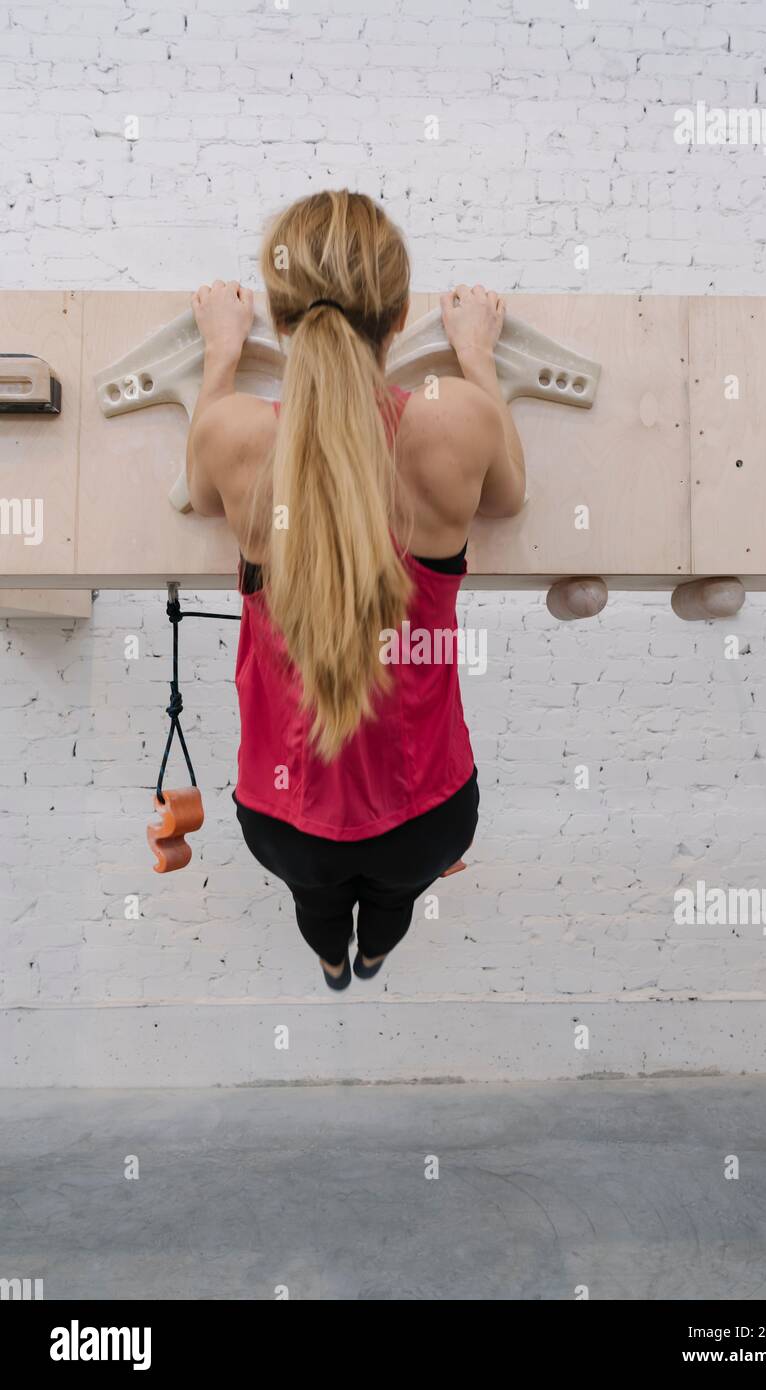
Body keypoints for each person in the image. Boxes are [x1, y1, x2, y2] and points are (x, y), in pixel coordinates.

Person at [185, 189, 525, 990]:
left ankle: (337, 959)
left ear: (277, 312)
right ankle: (371, 956)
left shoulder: (233, 435)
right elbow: (509, 498)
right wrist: (475, 354)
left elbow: (199, 496)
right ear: (400, 314)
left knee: (316, 897)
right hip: (428, 820)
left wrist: (220, 355)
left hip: (283, 823)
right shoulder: (457, 423)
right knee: (395, 896)